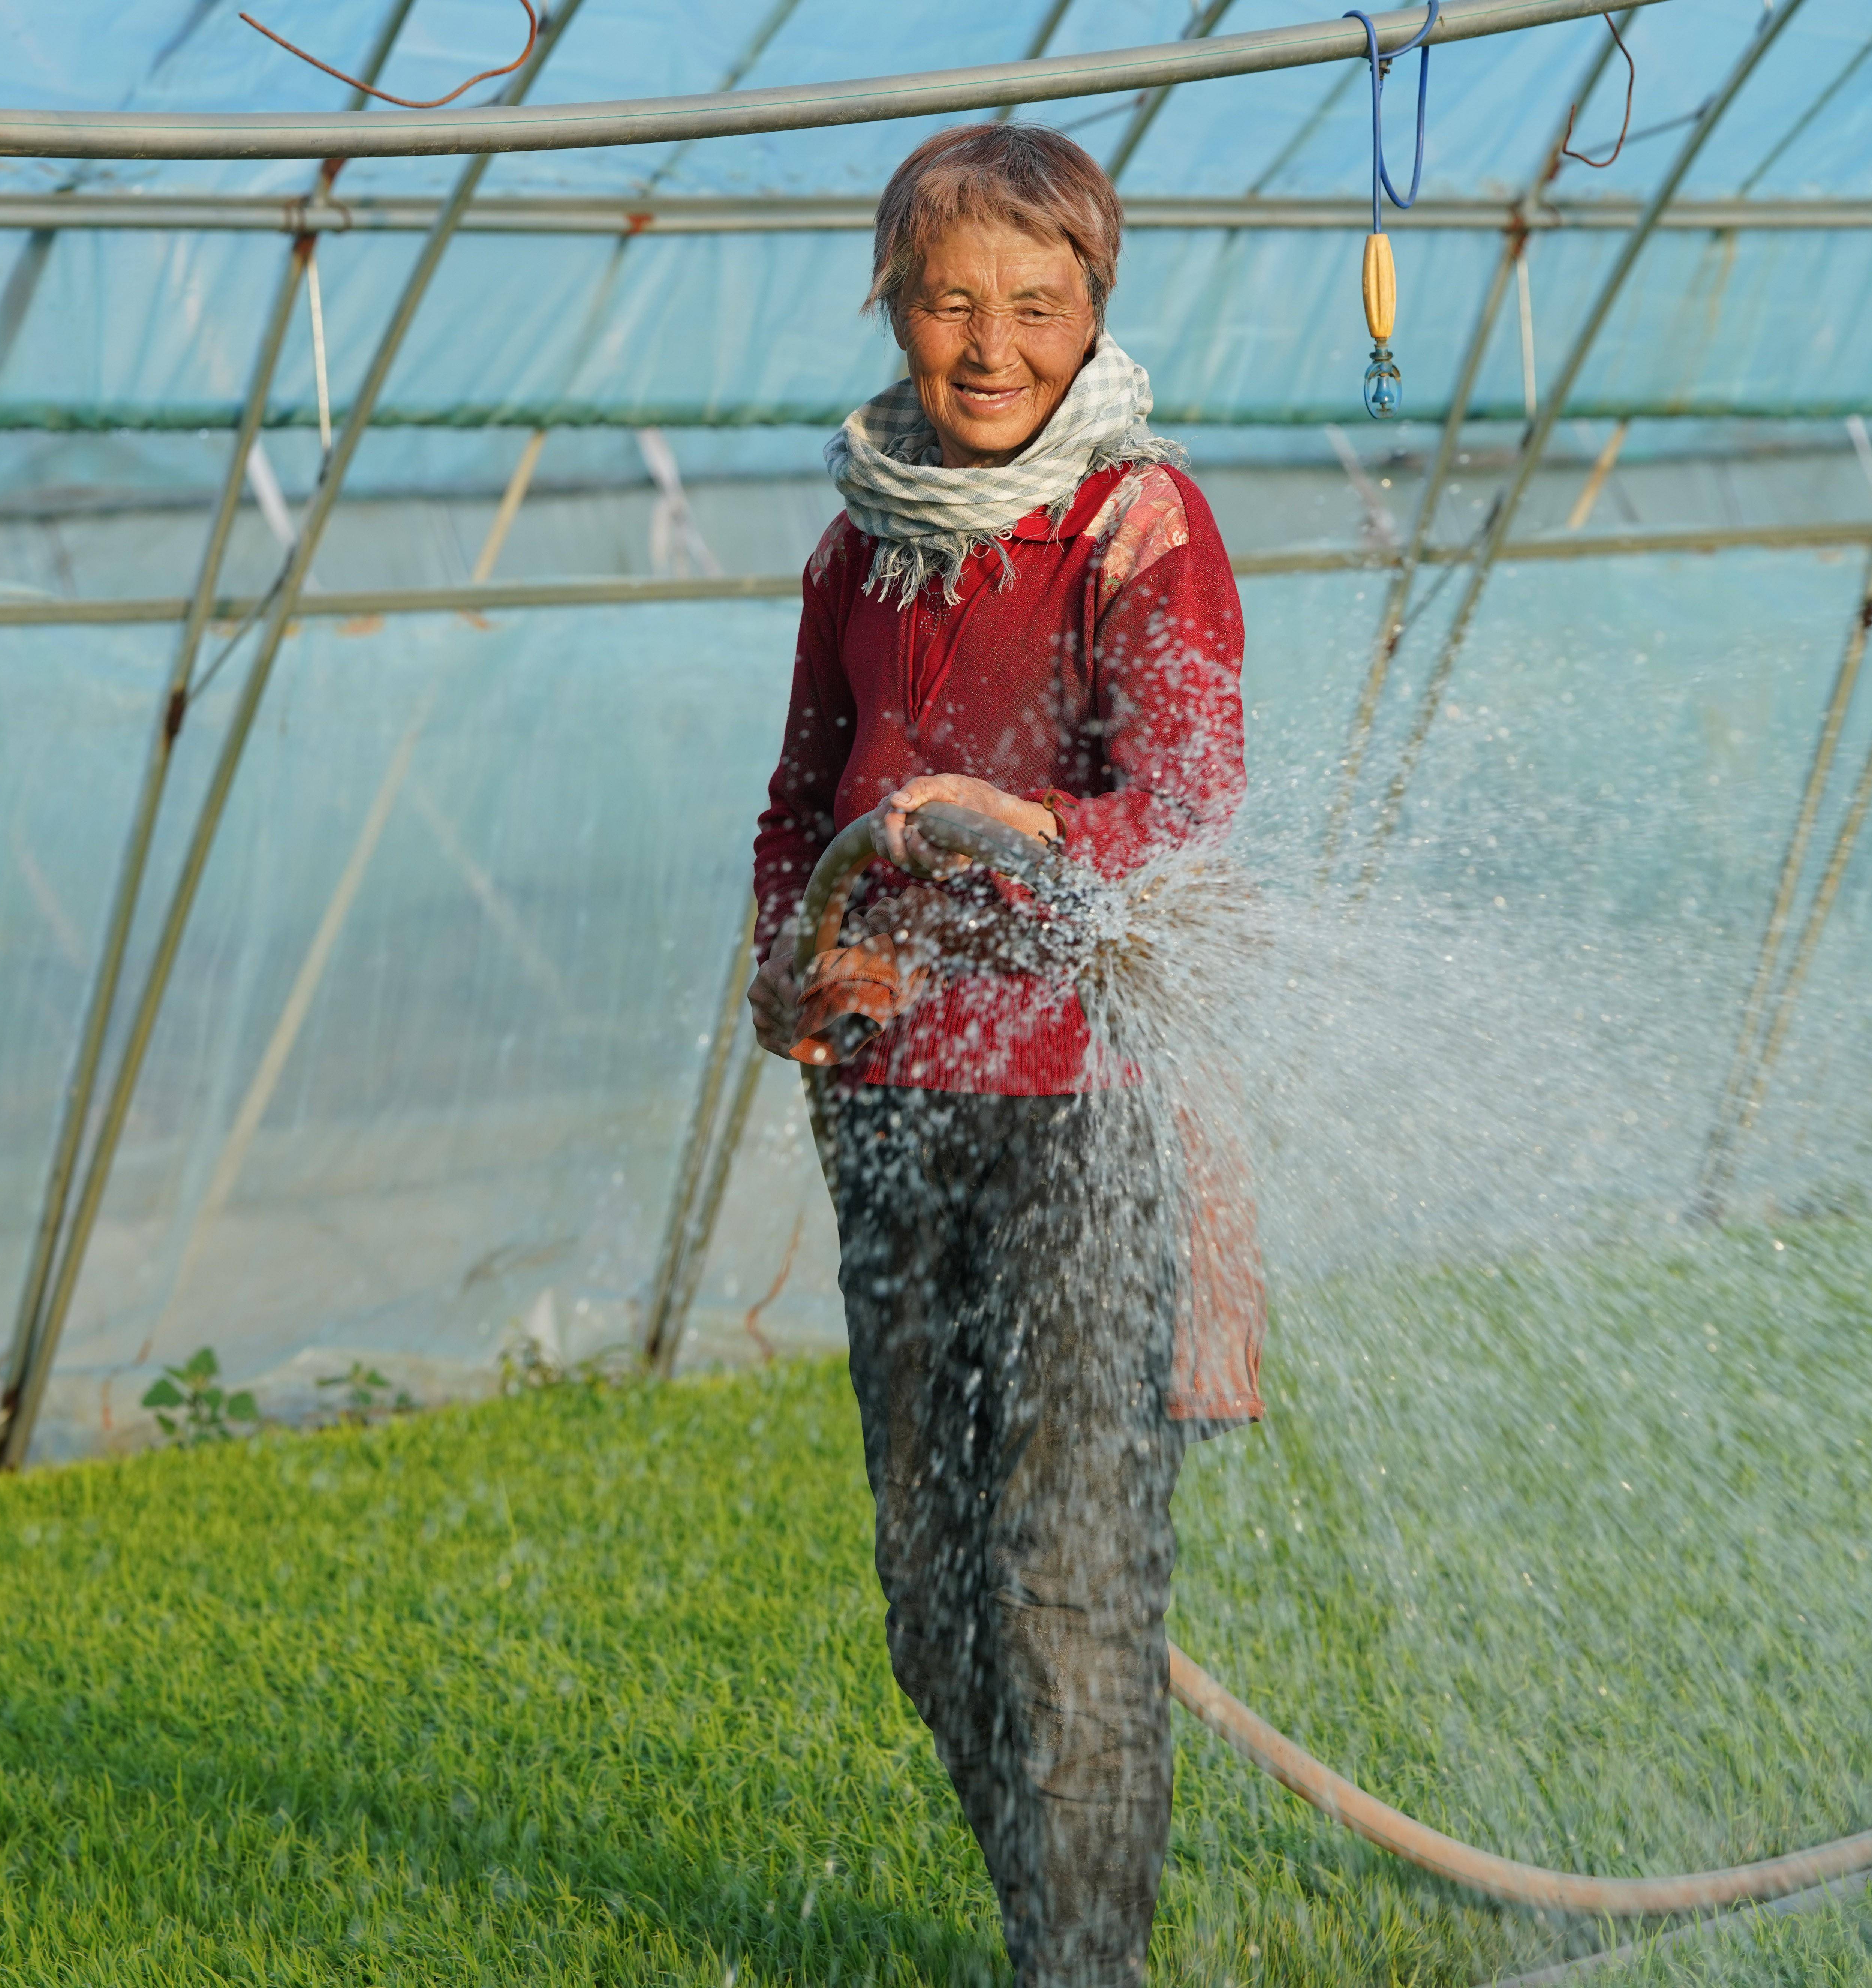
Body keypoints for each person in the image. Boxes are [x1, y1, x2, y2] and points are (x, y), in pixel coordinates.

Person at [746, 123, 1247, 1987]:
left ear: (1090, 310)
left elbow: (1185, 811)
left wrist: (1018, 830)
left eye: (1033, 307)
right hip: (880, 1099)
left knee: (1059, 1588)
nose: (988, 346)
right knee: (929, 1606)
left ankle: (1077, 1970)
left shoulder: (1136, 525)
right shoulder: (857, 542)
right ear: (894, 304)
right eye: (950, 299)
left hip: (1078, 1114)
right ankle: (1049, 1927)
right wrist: (778, 959)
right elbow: (802, 795)